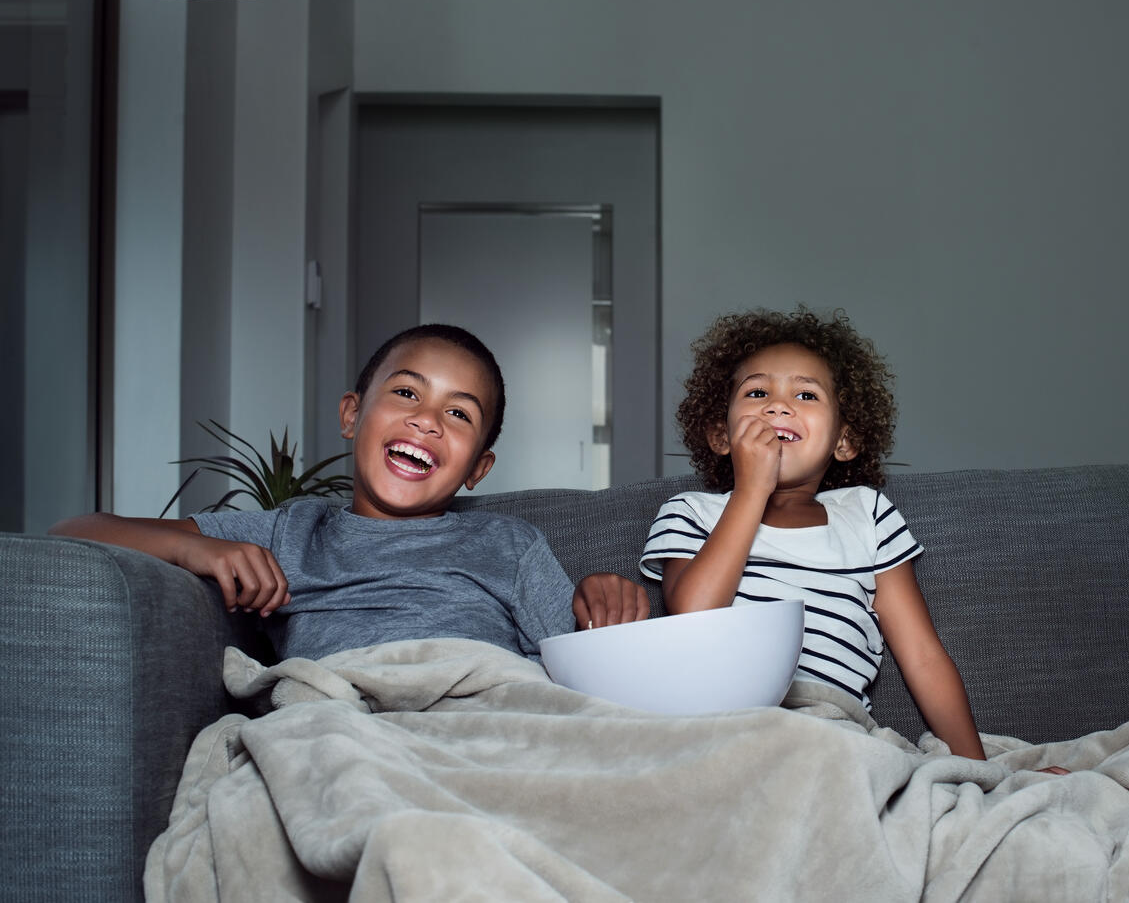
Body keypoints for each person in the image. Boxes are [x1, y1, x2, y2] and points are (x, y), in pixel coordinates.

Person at [50, 323, 647, 662]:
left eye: (459, 414)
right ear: (351, 415)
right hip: (341, 721)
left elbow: (585, 670)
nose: (427, 421)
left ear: (478, 469)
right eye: (407, 394)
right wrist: (197, 548)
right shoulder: (292, 530)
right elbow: (76, 531)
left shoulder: (507, 543)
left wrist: (603, 600)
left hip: (479, 711)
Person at [641, 308, 989, 759]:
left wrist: (981, 772)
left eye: (806, 395)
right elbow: (693, 617)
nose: (778, 406)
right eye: (758, 391)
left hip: (834, 732)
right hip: (725, 724)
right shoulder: (693, 513)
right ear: (721, 435)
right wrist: (752, 489)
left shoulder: (866, 515)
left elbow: (922, 656)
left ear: (843, 441)